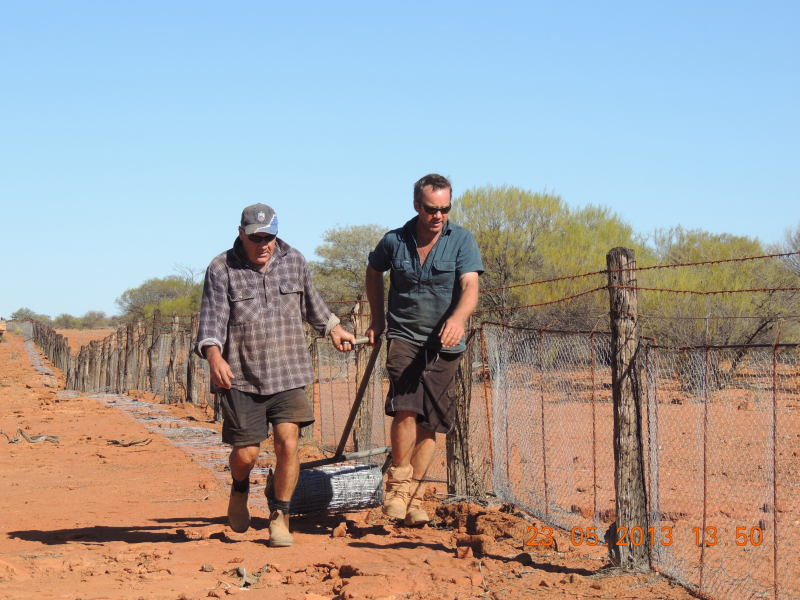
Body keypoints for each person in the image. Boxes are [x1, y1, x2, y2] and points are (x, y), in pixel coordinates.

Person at [195, 203, 355, 547]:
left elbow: (314, 306)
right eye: (256, 237)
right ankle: (239, 490)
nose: (263, 244)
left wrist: (335, 329)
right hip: (241, 376)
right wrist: (214, 357)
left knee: (288, 443)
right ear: (241, 234)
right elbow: (210, 322)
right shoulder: (221, 268)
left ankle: (279, 516)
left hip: (288, 371)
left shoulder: (294, 260)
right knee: (247, 453)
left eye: (269, 237)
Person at [365, 174, 483, 526]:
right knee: (405, 407)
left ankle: (415, 497)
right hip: (404, 335)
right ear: (417, 205)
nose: (438, 216)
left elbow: (470, 286)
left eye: (445, 209)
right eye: (432, 209)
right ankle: (398, 489)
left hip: (446, 345)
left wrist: (459, 319)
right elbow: (373, 271)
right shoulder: (394, 241)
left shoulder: (462, 240)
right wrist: (376, 319)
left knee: (430, 422)